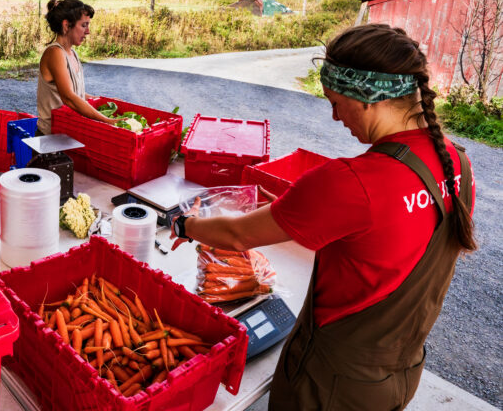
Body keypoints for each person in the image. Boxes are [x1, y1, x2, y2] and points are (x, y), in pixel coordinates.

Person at [169, 24, 476, 410]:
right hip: (398, 373)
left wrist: (184, 224)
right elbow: (388, 240)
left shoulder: (353, 181)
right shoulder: (456, 162)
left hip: (332, 382)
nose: (333, 117)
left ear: (366, 97)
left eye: (334, 101)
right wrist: (299, 210)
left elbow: (235, 235)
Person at [36, 0, 119, 135]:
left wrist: (99, 100)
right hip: (50, 141)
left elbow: (74, 92)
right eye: (84, 25)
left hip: (67, 135)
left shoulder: (71, 53)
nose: (88, 32)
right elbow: (68, 97)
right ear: (66, 25)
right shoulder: (55, 53)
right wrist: (107, 121)